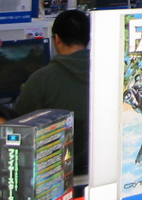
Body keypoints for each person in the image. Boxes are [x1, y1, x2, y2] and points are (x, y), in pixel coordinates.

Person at [12, 10, 91, 175]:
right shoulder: (112, 74)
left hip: (56, 178)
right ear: (88, 38)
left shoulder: (41, 80)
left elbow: (16, 131)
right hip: (99, 173)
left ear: (57, 39)